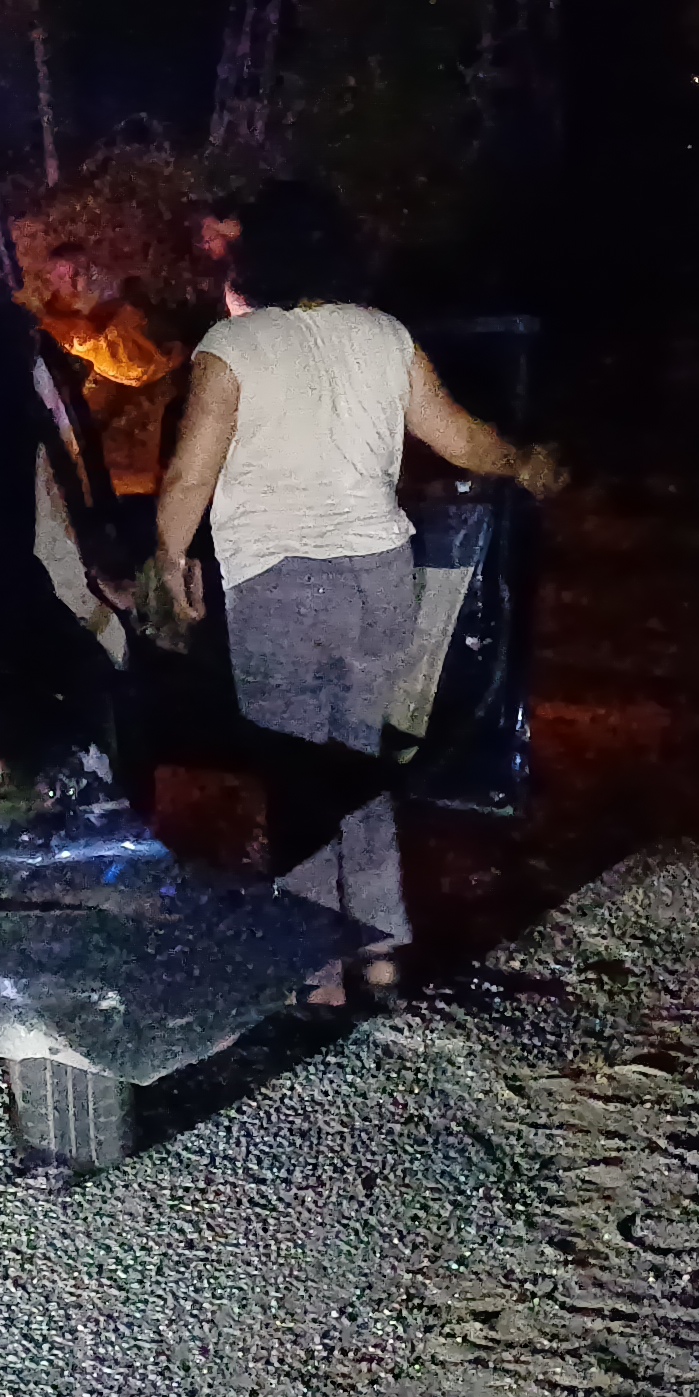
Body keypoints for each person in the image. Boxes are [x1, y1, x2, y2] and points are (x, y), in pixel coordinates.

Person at [152, 181, 565, 1001]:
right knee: (356, 763)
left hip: (280, 582)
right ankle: (378, 948)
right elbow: (461, 438)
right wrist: (525, 462)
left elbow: (191, 472)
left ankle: (315, 968)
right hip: (381, 578)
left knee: (298, 773)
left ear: (255, 257)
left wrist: (169, 558)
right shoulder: (386, 336)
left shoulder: (234, 349)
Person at [24, 241, 181, 495]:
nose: (73, 281)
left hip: (152, 382)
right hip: (118, 383)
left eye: (79, 272)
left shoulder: (122, 312)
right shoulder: (59, 327)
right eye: (63, 275)